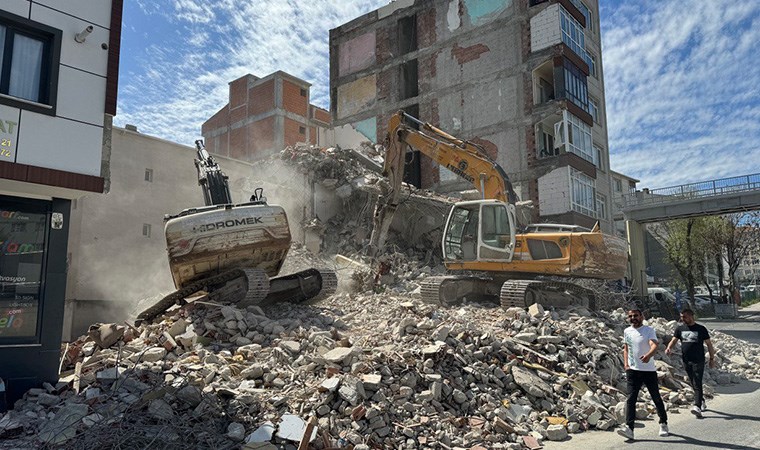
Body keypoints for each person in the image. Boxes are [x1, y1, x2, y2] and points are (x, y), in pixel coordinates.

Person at [617, 309, 669, 440]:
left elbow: (654, 345)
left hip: (648, 371)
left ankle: (663, 423)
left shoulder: (648, 330)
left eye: (635, 316)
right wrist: (626, 365)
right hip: (633, 371)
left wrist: (648, 355)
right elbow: (626, 348)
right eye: (630, 316)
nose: (633, 318)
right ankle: (629, 428)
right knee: (631, 399)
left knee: (656, 397)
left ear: (641, 316)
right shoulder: (627, 331)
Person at [665, 308, 716, 418]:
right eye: (681, 316)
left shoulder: (701, 329)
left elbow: (709, 344)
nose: (682, 319)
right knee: (693, 382)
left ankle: (697, 406)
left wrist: (712, 359)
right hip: (686, 360)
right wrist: (669, 348)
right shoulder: (680, 329)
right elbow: (674, 340)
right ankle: (701, 400)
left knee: (697, 381)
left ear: (691, 316)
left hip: (699, 360)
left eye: (685, 317)